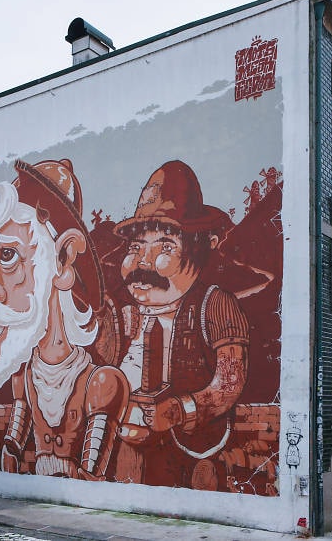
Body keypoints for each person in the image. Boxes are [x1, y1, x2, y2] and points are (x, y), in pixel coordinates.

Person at [0, 156, 129, 480]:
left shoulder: (102, 385)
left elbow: (91, 492)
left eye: (8, 255)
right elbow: (9, 461)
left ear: (61, 263)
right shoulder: (23, 379)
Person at [111, 160, 249, 490]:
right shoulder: (126, 318)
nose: (142, 262)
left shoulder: (214, 304)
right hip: (132, 450)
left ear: (199, 248)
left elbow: (229, 382)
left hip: (196, 451)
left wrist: (179, 410)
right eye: (136, 247)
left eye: (165, 246)